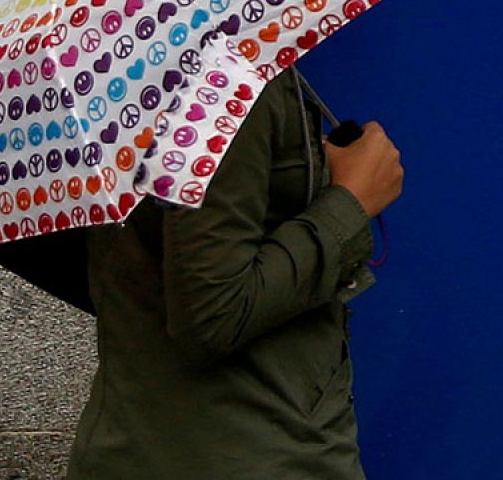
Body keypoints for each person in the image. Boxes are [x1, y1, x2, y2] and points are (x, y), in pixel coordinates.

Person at [67, 65, 403, 478]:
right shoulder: (223, 65)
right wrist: (350, 203)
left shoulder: (112, 59)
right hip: (253, 449)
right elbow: (213, 312)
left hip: (140, 437)